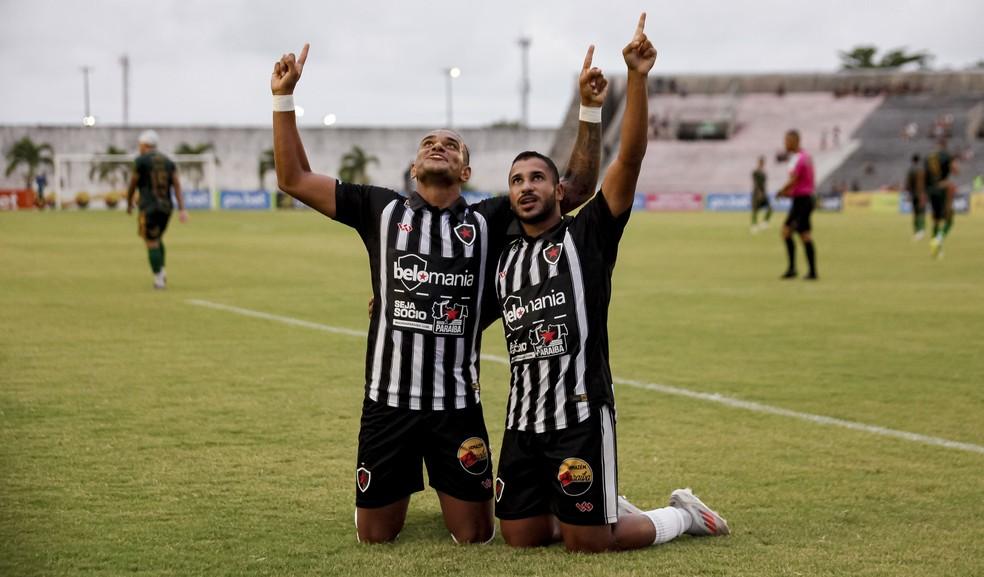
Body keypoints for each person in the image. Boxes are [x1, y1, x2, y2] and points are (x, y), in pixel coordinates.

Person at [270, 43, 607, 544]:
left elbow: (575, 188)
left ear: (466, 173)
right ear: (412, 168)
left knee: (474, 535)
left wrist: (588, 109)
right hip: (388, 401)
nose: (438, 146)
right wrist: (283, 98)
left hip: (455, 406)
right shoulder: (379, 210)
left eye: (451, 144)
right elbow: (293, 178)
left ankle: (589, 509)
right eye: (429, 142)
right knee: (375, 537)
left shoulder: (489, 219)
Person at [490, 14, 729, 553]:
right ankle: (597, 504)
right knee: (521, 538)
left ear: (560, 189)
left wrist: (636, 77)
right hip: (522, 419)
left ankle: (680, 515)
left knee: (588, 545)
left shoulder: (590, 234)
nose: (527, 188)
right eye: (517, 180)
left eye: (537, 178)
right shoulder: (504, 258)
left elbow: (631, 157)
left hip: (579, 414)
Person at [126, 130, 187, 289]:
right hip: (167, 207)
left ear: (144, 145)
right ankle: (162, 270)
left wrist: (129, 202)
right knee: (158, 238)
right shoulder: (168, 161)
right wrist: (182, 209)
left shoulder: (141, 161)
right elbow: (177, 185)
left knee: (151, 241)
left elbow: (133, 183)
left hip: (149, 206)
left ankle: (159, 277)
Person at [777, 129, 817, 280]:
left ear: (795, 141)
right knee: (804, 234)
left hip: (802, 201)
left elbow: (794, 179)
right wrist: (789, 192)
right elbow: (804, 181)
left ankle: (793, 269)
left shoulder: (798, 158)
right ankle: (811, 272)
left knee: (787, 231)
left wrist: (782, 190)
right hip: (804, 199)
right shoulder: (805, 157)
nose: (785, 143)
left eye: (787, 140)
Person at [922, 139, 959, 258]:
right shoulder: (947, 155)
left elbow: (925, 176)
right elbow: (955, 171)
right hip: (943, 188)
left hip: (931, 190)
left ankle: (936, 250)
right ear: (945, 145)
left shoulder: (928, 157)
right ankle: (938, 239)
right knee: (949, 219)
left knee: (936, 220)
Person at [904, 154, 926, 240]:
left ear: (912, 160)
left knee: (915, 213)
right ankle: (922, 230)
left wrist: (908, 194)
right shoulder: (923, 170)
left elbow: (908, 184)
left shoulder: (911, 170)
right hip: (922, 194)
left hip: (914, 194)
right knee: (922, 212)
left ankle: (917, 231)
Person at [750, 155, 772, 232]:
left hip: (764, 193)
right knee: (755, 210)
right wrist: (759, 192)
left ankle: (765, 222)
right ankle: (754, 225)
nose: (762, 163)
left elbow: (764, 184)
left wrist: (764, 192)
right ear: (758, 162)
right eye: (761, 162)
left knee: (770, 208)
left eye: (763, 162)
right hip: (756, 193)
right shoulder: (755, 172)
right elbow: (755, 183)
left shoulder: (763, 172)